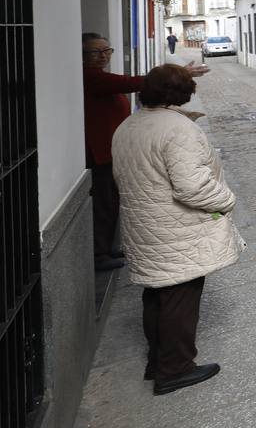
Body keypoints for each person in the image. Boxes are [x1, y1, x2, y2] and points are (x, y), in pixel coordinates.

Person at [112, 64, 241, 395]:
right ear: (184, 93)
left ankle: (157, 361)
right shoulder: (177, 129)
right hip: (175, 229)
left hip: (144, 225)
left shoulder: (128, 125)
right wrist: (226, 200)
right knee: (180, 297)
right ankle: (175, 368)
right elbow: (191, 187)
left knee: (156, 293)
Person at [82, 33, 207, 272]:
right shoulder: (91, 77)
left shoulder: (98, 76)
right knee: (105, 203)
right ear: (83, 56)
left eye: (107, 50)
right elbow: (129, 83)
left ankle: (106, 248)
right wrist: (179, 75)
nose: (103, 56)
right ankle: (99, 254)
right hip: (100, 152)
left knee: (111, 201)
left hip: (109, 150)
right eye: (95, 52)